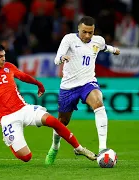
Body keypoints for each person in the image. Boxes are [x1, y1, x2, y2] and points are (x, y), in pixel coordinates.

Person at [45, 16, 121, 165]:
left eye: (90, 33)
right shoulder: (69, 39)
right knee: (62, 122)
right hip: (68, 86)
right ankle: (54, 147)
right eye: (84, 32)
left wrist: (114, 50)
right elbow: (56, 58)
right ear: (78, 28)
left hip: (88, 83)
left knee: (99, 103)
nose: (87, 36)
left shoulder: (97, 40)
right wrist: (62, 58)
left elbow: (104, 47)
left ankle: (102, 149)